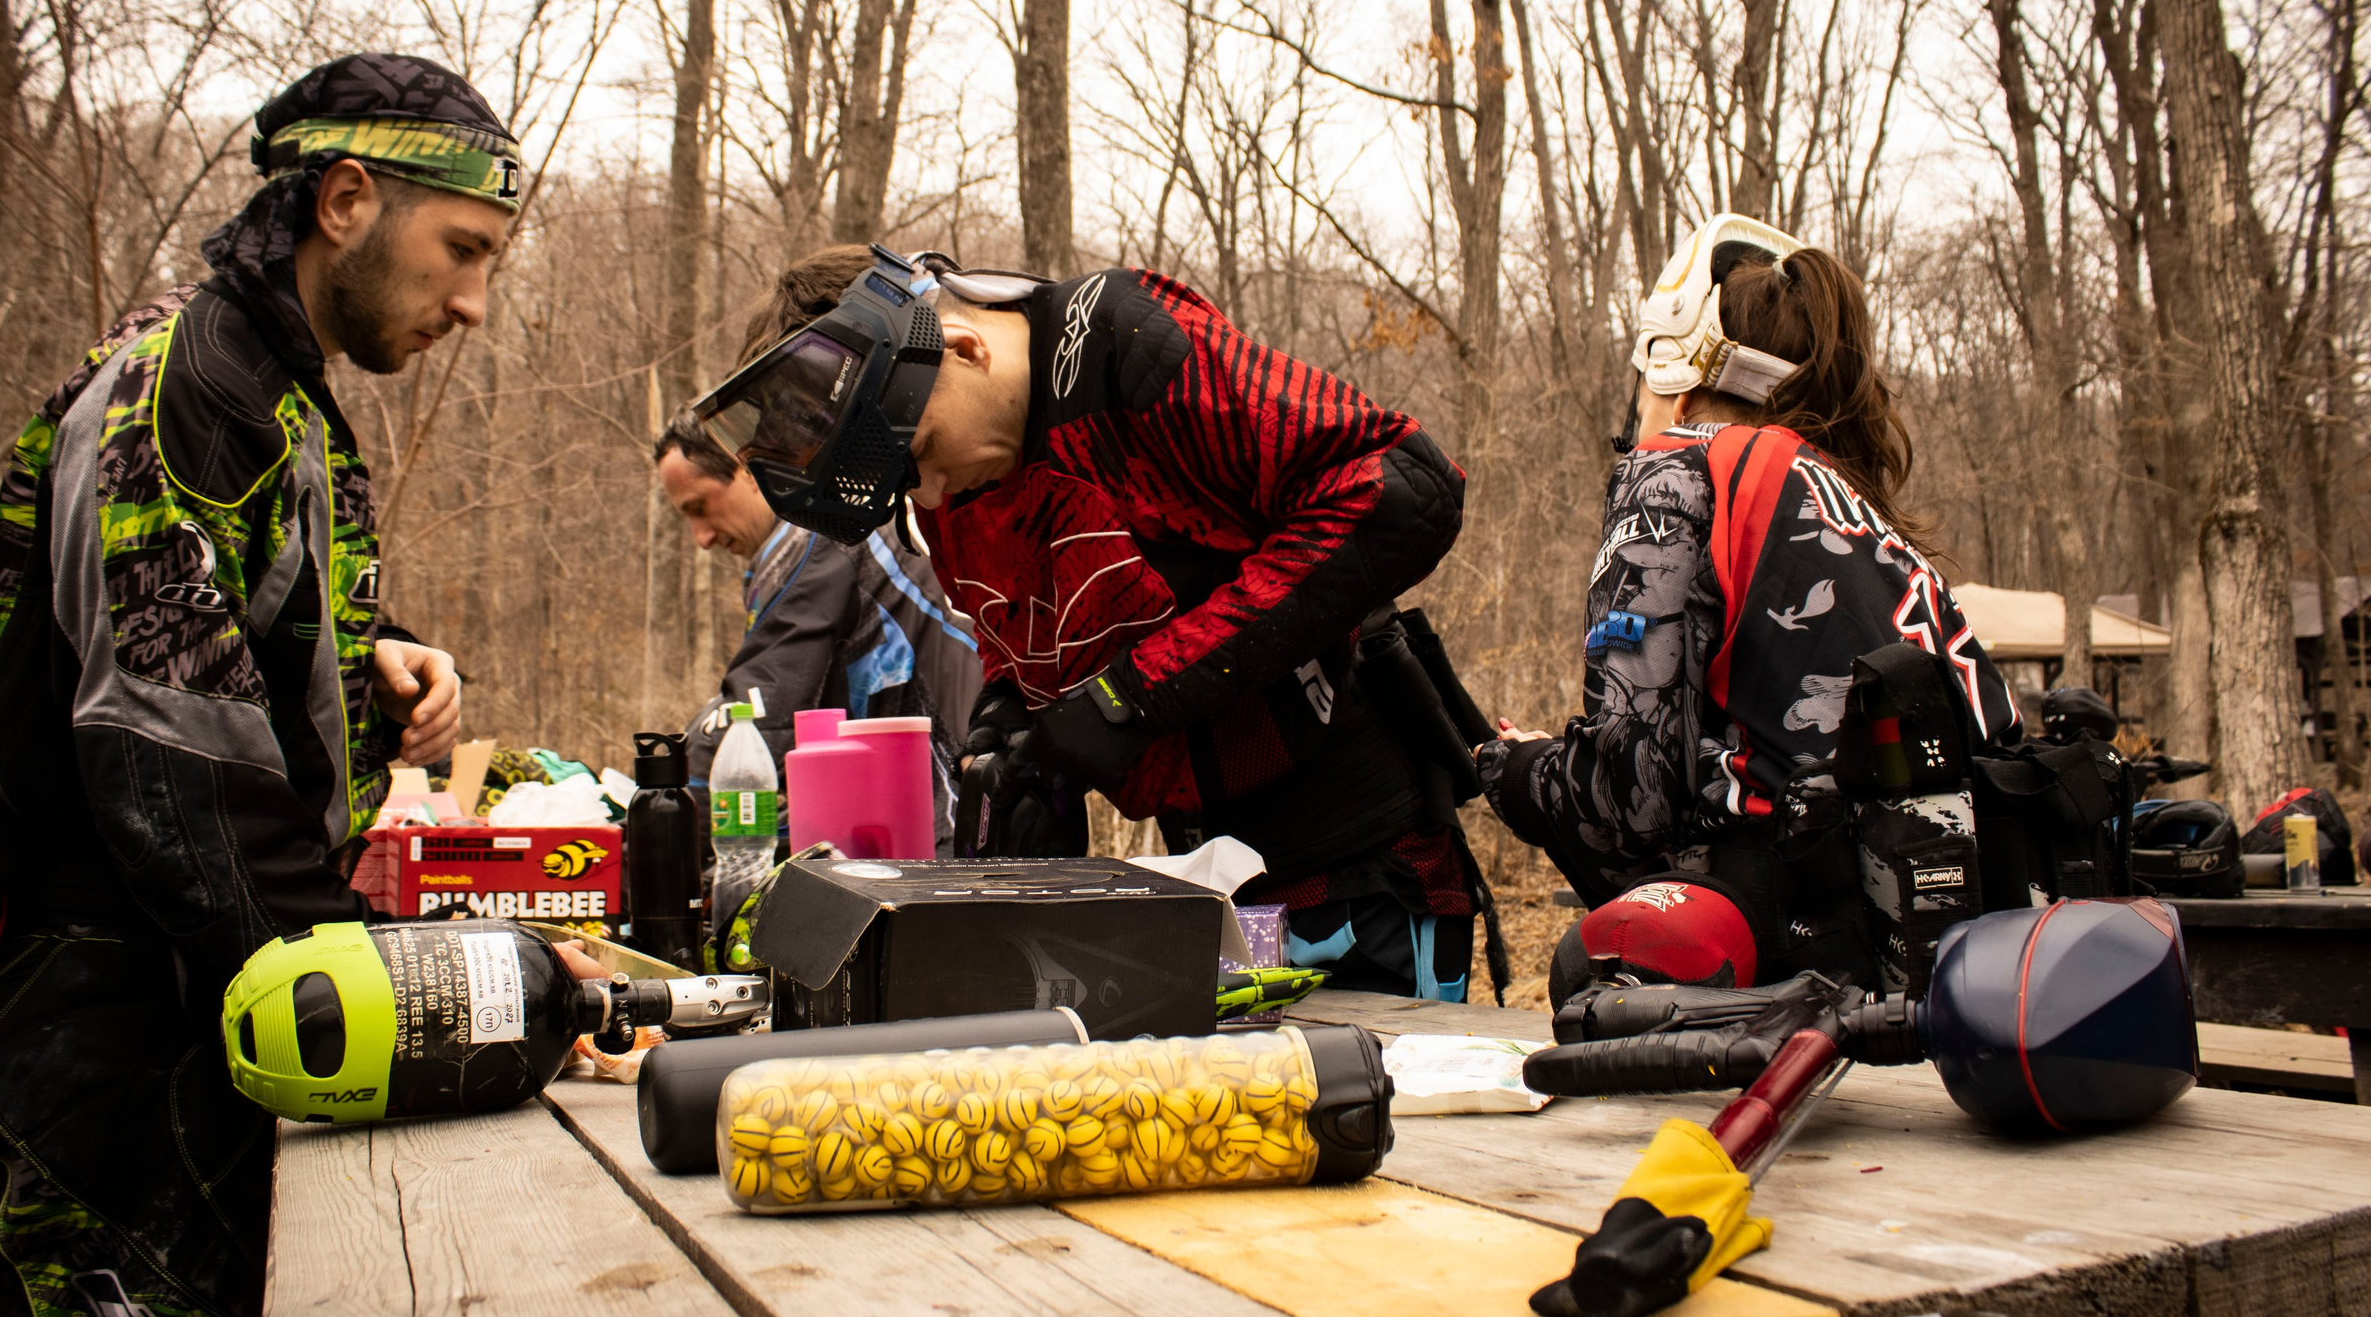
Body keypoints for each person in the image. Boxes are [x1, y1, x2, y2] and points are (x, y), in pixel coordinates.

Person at [0, 54, 514, 1317]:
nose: (475, 302)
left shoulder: (270, 389)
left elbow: (201, 634)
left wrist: (367, 660)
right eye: (463, 250)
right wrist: (364, 993)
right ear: (349, 199)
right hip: (100, 1033)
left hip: (180, 1006)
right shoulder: (181, 384)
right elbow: (167, 759)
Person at [692, 244, 1497, 1001]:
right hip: (1206, 881)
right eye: (908, 482)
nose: (930, 497)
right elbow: (1023, 637)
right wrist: (1012, 732)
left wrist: (1135, 696)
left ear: (963, 348)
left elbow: (1402, 488)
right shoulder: (949, 475)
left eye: (926, 453)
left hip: (1358, 864)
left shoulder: (1126, 346)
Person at [1478, 214, 2017, 1001]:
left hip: (1813, 956)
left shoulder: (1677, 470)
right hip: (1957, 958)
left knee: (1589, 964)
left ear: (1673, 365)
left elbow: (1629, 799)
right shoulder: (1851, 501)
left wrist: (1520, 772)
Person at [653, 402, 982, 849]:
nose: (701, 537)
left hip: (944, 824)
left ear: (746, 467)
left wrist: (649, 822)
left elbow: (758, 721)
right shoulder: (830, 525)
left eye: (699, 507)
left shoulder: (815, 541)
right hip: (939, 812)